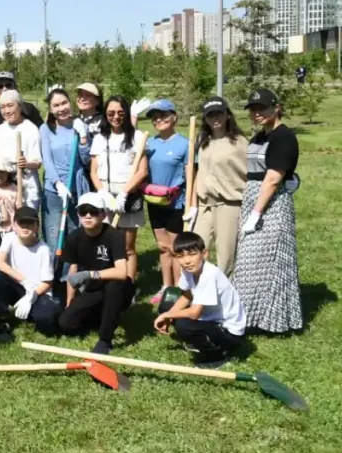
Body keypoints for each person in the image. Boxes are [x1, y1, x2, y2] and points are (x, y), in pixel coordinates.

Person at [232, 89, 303, 334]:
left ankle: (272, 319)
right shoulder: (260, 137)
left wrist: (256, 214)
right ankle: (250, 317)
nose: (257, 113)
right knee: (250, 263)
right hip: (254, 201)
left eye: (262, 108)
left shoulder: (284, 137)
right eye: (253, 109)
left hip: (270, 207)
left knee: (267, 262)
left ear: (277, 107)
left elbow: (273, 178)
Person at [153, 233, 246, 369]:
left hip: (230, 334)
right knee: (167, 305)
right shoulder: (188, 270)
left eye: (192, 254)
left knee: (183, 325)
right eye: (181, 256)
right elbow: (186, 297)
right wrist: (167, 317)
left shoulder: (209, 274)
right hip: (211, 321)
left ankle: (219, 355)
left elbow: (194, 313)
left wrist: (167, 315)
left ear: (205, 254)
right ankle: (201, 341)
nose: (187, 261)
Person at [58, 192, 135, 355]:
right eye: (83, 211)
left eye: (93, 211)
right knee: (66, 323)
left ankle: (105, 340)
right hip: (93, 289)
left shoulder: (114, 236)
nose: (87, 216)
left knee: (113, 287)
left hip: (116, 286)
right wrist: (69, 302)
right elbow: (72, 271)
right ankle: (104, 316)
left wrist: (90, 274)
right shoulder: (74, 237)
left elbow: (122, 273)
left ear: (103, 215)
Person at [186, 96, 247, 276]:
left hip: (228, 204)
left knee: (225, 255)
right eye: (210, 115)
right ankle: (199, 286)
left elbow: (250, 173)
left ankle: (224, 288)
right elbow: (198, 172)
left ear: (227, 115)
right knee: (195, 248)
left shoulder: (239, 142)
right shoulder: (203, 141)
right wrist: (194, 205)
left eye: (219, 114)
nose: (215, 119)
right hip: (205, 205)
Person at [89, 96, 148, 280]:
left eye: (121, 113)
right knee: (105, 244)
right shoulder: (99, 138)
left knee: (127, 247)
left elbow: (142, 171)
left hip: (129, 194)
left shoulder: (137, 137)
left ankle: (128, 285)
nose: (116, 117)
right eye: (111, 113)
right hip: (106, 196)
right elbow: (93, 171)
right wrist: (103, 193)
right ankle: (110, 281)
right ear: (105, 114)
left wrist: (124, 193)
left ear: (127, 113)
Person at [143, 99, 190, 304]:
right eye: (155, 117)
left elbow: (191, 176)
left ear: (173, 117)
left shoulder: (185, 144)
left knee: (175, 248)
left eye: (163, 115)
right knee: (163, 247)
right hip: (154, 202)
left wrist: (191, 204)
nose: (158, 120)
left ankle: (178, 288)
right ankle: (165, 286)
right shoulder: (149, 143)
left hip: (175, 204)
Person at [0, 207, 61, 338]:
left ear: (37, 226)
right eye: (21, 222)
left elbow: (48, 282)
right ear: (14, 225)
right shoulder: (9, 238)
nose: (25, 227)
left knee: (46, 322)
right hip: (18, 287)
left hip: (38, 292)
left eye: (30, 223)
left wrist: (31, 297)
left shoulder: (44, 249)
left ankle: (32, 315)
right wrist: (24, 280)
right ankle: (2, 319)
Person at [40, 87, 91, 248]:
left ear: (70, 102)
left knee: (75, 237)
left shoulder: (79, 125)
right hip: (54, 192)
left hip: (76, 190)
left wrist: (83, 137)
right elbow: (47, 160)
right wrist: (58, 184)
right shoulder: (46, 129)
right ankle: (53, 265)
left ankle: (71, 266)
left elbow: (86, 160)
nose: (61, 108)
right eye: (56, 105)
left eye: (64, 103)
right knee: (55, 239)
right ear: (50, 109)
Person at [0, 89, 42, 210]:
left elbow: (37, 163)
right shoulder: (0, 129)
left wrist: (26, 163)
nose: (6, 111)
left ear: (19, 106)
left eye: (10, 105)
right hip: (5, 189)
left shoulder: (30, 129)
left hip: (27, 188)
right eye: (2, 107)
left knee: (25, 219)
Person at [0, 163, 18, 233]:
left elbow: (18, 206)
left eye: (2, 172)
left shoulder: (14, 188)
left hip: (11, 227)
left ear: (8, 173)